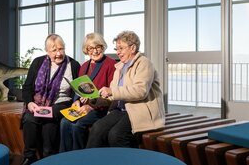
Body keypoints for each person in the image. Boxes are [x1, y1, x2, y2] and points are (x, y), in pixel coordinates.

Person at [86, 30, 165, 148]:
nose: (118, 52)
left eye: (121, 48)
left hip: (138, 110)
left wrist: (112, 91)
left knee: (116, 134)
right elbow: (112, 95)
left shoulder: (144, 63)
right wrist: (94, 99)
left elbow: (140, 91)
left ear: (132, 48)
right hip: (121, 110)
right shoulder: (120, 67)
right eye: (116, 49)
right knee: (97, 128)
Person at [21, 34, 81, 165]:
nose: (59, 53)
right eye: (54, 50)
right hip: (38, 103)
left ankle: (43, 157)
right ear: (47, 51)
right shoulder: (38, 62)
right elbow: (26, 88)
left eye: (61, 49)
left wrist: (78, 99)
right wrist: (29, 103)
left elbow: (80, 89)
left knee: (41, 115)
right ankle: (31, 156)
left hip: (62, 104)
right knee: (37, 121)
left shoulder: (74, 65)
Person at [60, 33, 116, 152]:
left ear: (103, 47)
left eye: (98, 47)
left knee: (77, 125)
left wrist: (91, 106)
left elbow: (112, 94)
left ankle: (79, 158)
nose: (94, 51)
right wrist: (76, 101)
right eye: (90, 48)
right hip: (83, 106)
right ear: (86, 50)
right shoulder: (84, 66)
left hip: (101, 108)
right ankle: (65, 157)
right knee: (64, 122)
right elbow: (80, 89)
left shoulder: (111, 64)